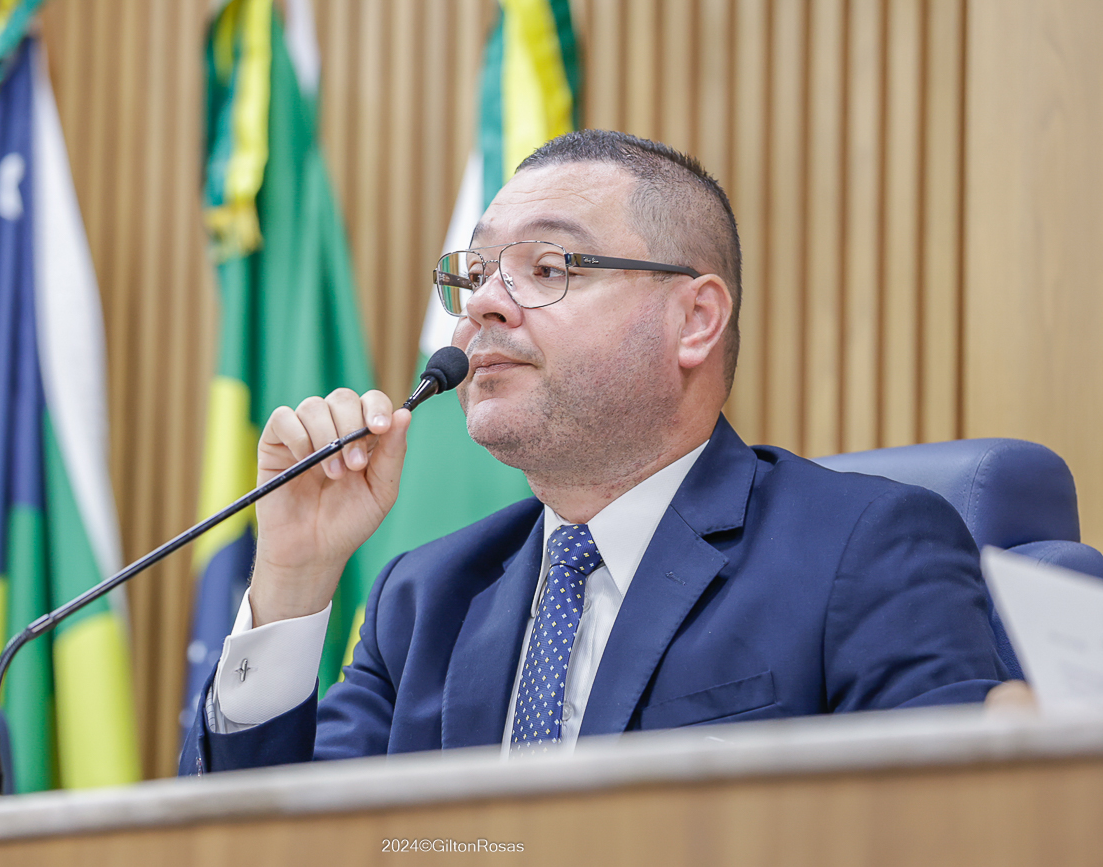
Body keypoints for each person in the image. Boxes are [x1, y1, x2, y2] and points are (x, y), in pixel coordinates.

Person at [180, 130, 1008, 775]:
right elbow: (269, 845)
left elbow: (952, 823)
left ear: (695, 320)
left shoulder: (863, 550)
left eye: (547, 266)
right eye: (474, 274)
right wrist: (292, 578)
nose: (483, 306)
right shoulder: (425, 599)